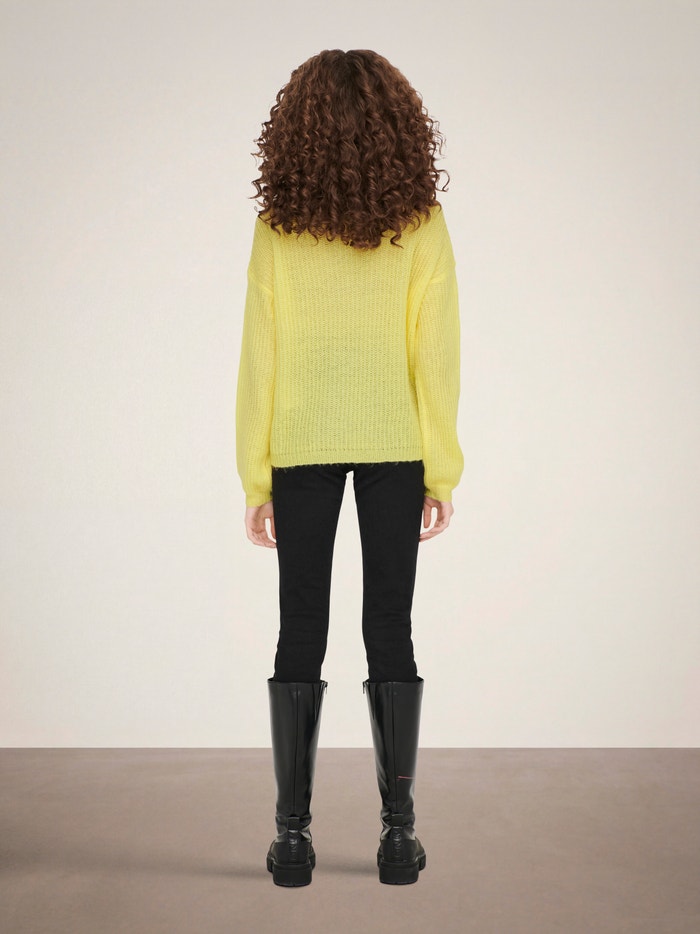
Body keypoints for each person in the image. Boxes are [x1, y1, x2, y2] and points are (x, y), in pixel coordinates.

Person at [235, 49, 464, 887]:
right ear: (400, 127)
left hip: (300, 444)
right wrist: (441, 467)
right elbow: (435, 351)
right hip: (397, 444)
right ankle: (398, 838)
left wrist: (256, 475)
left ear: (294, 131)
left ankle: (291, 841)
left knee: (300, 626)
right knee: (390, 626)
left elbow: (260, 353)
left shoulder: (278, 226)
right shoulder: (421, 222)